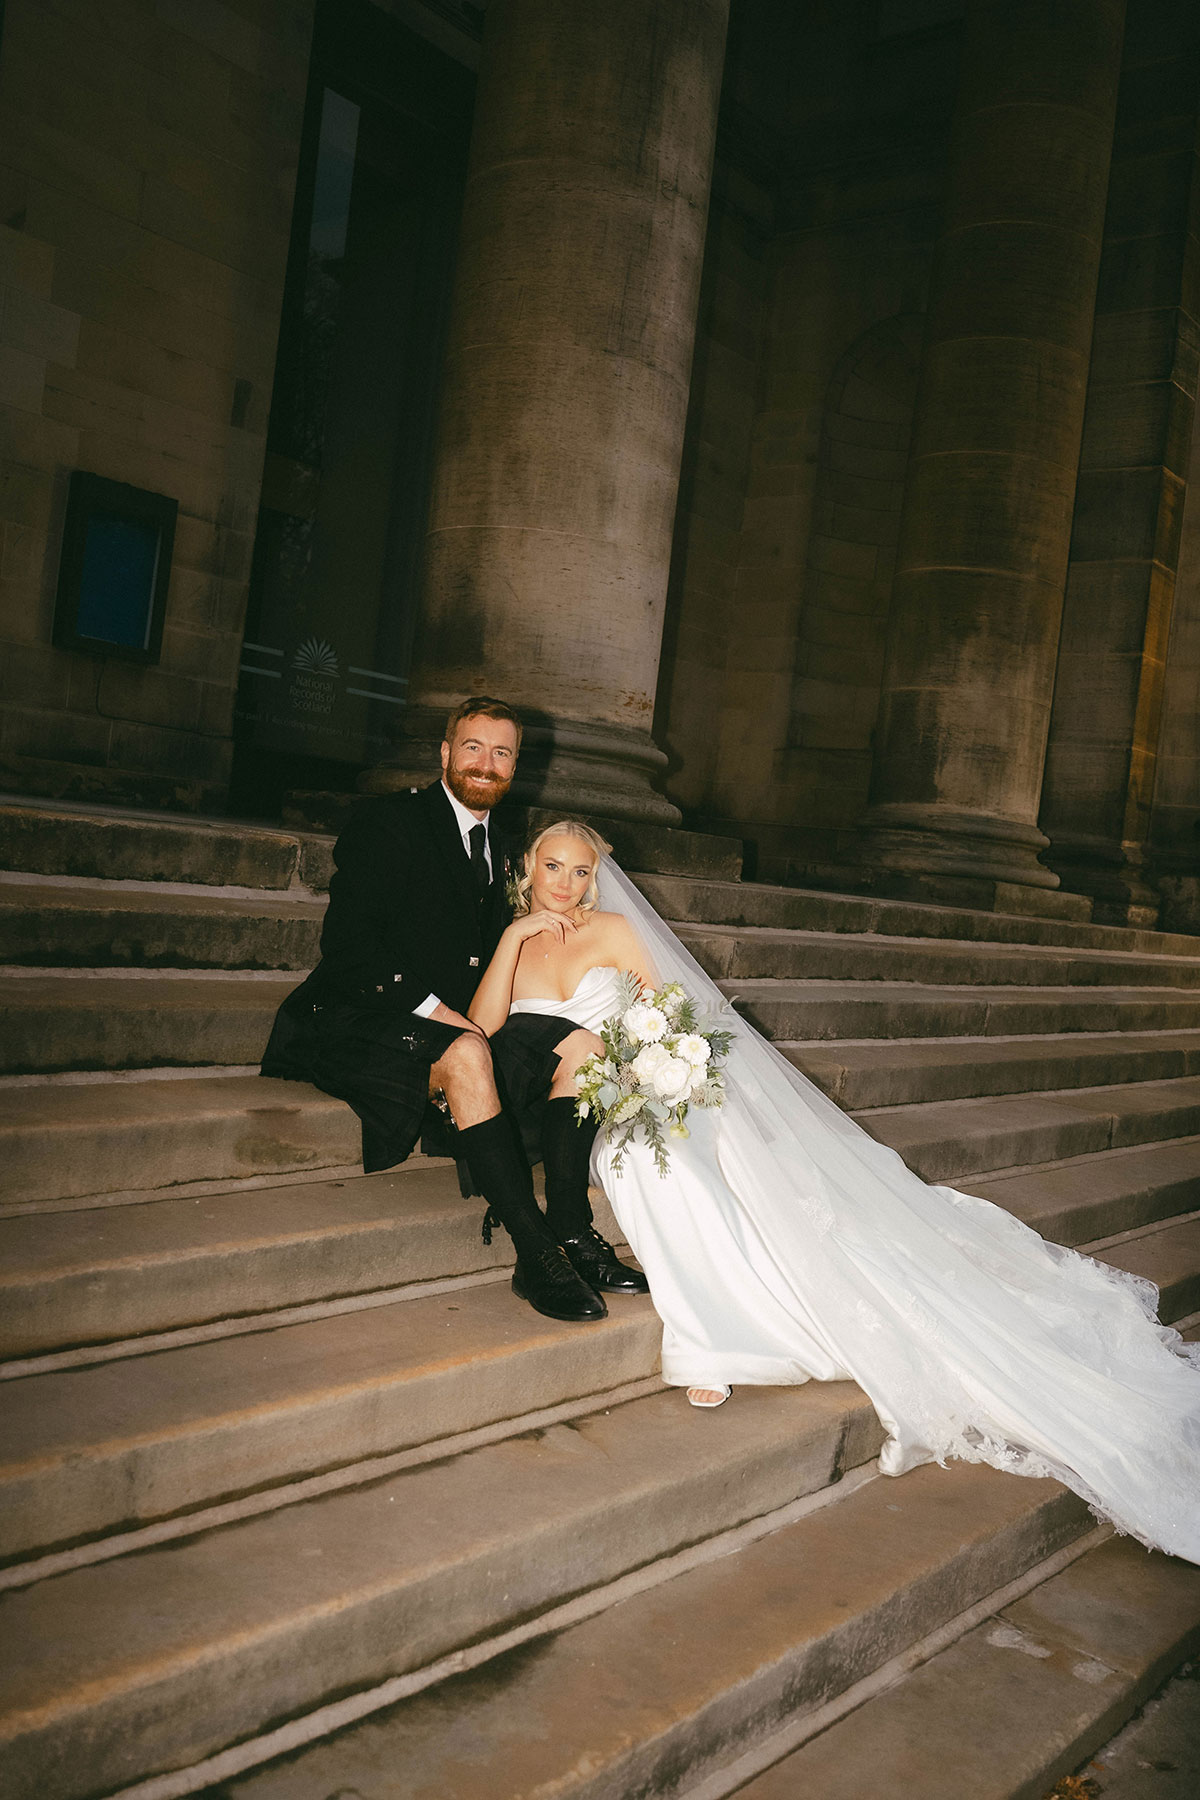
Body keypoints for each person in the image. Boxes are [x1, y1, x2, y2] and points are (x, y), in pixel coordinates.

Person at [475, 819, 1200, 1564]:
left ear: (595, 876)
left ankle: (719, 1343)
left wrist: (642, 1075)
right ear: (528, 867)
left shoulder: (619, 930)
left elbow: (669, 1020)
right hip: (559, 1109)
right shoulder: (517, 937)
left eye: (578, 870)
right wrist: (514, 938)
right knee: (629, 1165)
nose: (563, 884)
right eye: (550, 867)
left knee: (660, 1170)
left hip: (635, 1095)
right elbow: (484, 1031)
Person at [260, 697, 606, 1324]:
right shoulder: (389, 823)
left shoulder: (506, 848)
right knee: (468, 1050)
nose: (486, 762)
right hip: (358, 1015)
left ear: (515, 765)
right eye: (473, 747)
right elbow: (349, 950)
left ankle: (573, 1228)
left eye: (502, 752)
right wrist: (440, 1014)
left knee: (578, 1044)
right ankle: (538, 1255)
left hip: (455, 1018)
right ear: (445, 754)